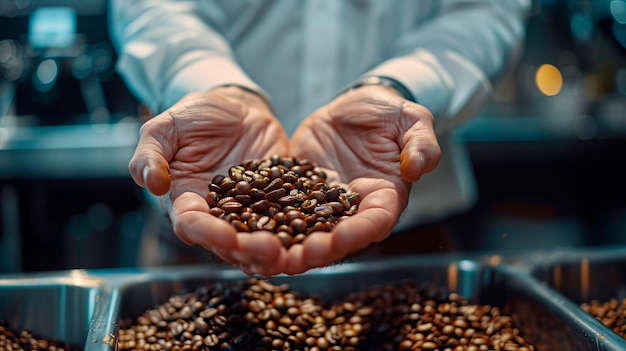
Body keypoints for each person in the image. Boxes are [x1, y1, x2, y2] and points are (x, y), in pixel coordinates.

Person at [109, 0, 530, 276]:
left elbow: (486, 12)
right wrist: (214, 85)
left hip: (412, 245)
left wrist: (399, 85)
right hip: (198, 235)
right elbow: (155, 9)